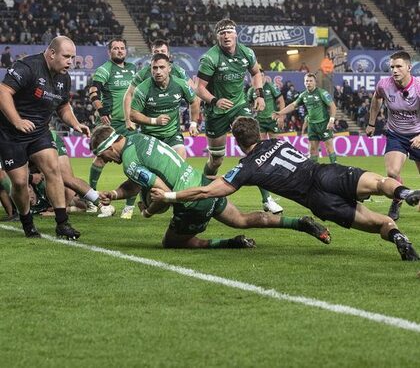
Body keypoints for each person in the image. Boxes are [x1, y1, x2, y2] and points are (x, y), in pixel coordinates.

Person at [151, 116, 420, 261]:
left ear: (238, 142)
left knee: (378, 222)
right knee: (380, 182)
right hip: (325, 174)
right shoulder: (279, 142)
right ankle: (404, 192)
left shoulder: (247, 168)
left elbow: (207, 192)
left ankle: (398, 237)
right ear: (259, 133)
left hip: (317, 200)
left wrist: (169, 195)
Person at [89, 125, 331, 249]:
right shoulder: (138, 139)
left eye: (102, 156)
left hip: (190, 200)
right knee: (241, 219)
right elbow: (137, 182)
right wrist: (114, 194)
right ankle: (299, 223)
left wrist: (149, 211)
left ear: (108, 147)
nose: (104, 161)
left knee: (172, 243)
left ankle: (230, 243)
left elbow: (161, 194)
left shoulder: (129, 162)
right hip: (204, 183)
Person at [0, 36, 89, 239]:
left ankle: (62, 223)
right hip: (10, 133)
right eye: (66, 56)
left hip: (39, 130)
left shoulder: (64, 78)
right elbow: (3, 91)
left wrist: (75, 124)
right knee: (20, 182)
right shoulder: (28, 67)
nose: (70, 62)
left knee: (52, 168)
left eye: (73, 57)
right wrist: (17, 121)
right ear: (52, 53)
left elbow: (63, 106)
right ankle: (27, 223)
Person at [196, 18, 282, 213]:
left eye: (229, 32)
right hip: (216, 112)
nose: (226, 36)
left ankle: (267, 200)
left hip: (239, 107)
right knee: (216, 160)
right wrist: (215, 100)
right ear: (217, 37)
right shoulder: (210, 58)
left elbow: (256, 73)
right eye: (222, 33)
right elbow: (199, 88)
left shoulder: (247, 52)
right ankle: (203, 192)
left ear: (236, 34)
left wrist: (259, 94)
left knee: (255, 150)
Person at [366, 50, 420, 221]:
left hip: (417, 134)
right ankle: (398, 199)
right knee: (392, 171)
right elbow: (376, 98)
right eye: (392, 67)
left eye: (399, 66)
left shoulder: (418, 87)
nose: (394, 70)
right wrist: (371, 123)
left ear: (409, 67)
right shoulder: (384, 84)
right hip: (396, 134)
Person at [88, 38, 138, 219]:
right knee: (100, 159)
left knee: (134, 163)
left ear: (126, 51)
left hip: (128, 123)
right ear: (109, 52)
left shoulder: (133, 69)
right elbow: (93, 91)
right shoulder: (104, 69)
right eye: (115, 48)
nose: (119, 51)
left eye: (122, 48)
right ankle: (91, 198)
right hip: (109, 123)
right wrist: (101, 110)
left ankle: (129, 207)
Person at [130, 53, 200, 159]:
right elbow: (133, 114)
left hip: (172, 135)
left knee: (180, 157)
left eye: (162, 67)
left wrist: (193, 124)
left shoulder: (181, 84)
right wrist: (154, 121)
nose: (158, 71)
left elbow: (194, 101)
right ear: (151, 69)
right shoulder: (142, 89)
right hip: (150, 135)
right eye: (155, 68)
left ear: (169, 68)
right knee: (154, 167)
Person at [123, 39, 194, 132]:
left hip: (172, 127)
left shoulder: (178, 71)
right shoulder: (143, 74)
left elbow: (193, 92)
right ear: (152, 55)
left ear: (168, 54)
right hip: (149, 126)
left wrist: (193, 122)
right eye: (156, 52)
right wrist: (128, 119)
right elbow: (129, 94)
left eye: (163, 51)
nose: (160, 54)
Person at [273, 73, 337, 163]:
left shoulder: (322, 93)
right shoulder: (303, 95)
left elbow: (333, 106)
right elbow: (293, 105)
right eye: (307, 81)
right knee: (312, 150)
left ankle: (335, 167)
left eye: (311, 81)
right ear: (304, 83)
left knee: (329, 148)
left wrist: (331, 121)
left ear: (315, 82)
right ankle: (313, 170)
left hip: (323, 124)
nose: (308, 83)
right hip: (312, 126)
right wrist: (280, 112)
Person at [247, 67, 285, 139]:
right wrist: (253, 110)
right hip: (259, 121)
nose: (260, 78)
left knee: (274, 143)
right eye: (258, 76)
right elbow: (249, 104)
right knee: (262, 143)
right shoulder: (251, 90)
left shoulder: (271, 86)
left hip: (272, 119)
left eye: (262, 75)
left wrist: (281, 116)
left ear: (264, 76)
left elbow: (281, 101)